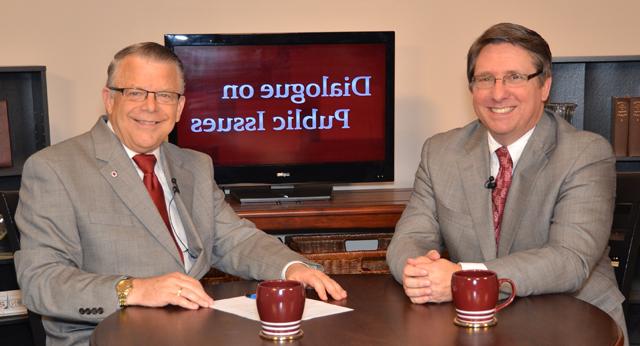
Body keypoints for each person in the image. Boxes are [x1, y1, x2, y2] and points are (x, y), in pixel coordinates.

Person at [13, 42, 347, 346]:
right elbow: (41, 282)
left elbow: (233, 239)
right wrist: (134, 289)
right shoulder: (55, 168)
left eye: (165, 95)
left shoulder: (194, 165)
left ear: (180, 106)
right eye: (135, 92)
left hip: (197, 331)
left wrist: (291, 267)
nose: (151, 107)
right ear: (109, 98)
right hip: (105, 337)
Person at [386, 22, 627, 343]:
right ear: (472, 88)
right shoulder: (441, 152)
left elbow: (570, 260)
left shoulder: (585, 153)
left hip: (574, 321)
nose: (498, 93)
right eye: (485, 79)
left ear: (544, 86)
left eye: (514, 77)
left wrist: (464, 276)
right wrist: (416, 271)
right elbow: (410, 238)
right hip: (473, 323)